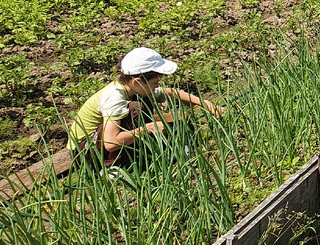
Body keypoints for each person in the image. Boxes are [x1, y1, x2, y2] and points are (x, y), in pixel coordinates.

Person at [66, 47, 224, 166]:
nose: (157, 87)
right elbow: (111, 143)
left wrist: (204, 103)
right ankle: (113, 167)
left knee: (145, 103)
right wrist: (147, 128)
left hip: (100, 144)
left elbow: (170, 92)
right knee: (135, 109)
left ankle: (139, 154)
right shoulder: (114, 97)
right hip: (86, 153)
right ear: (137, 81)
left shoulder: (133, 88)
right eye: (155, 83)